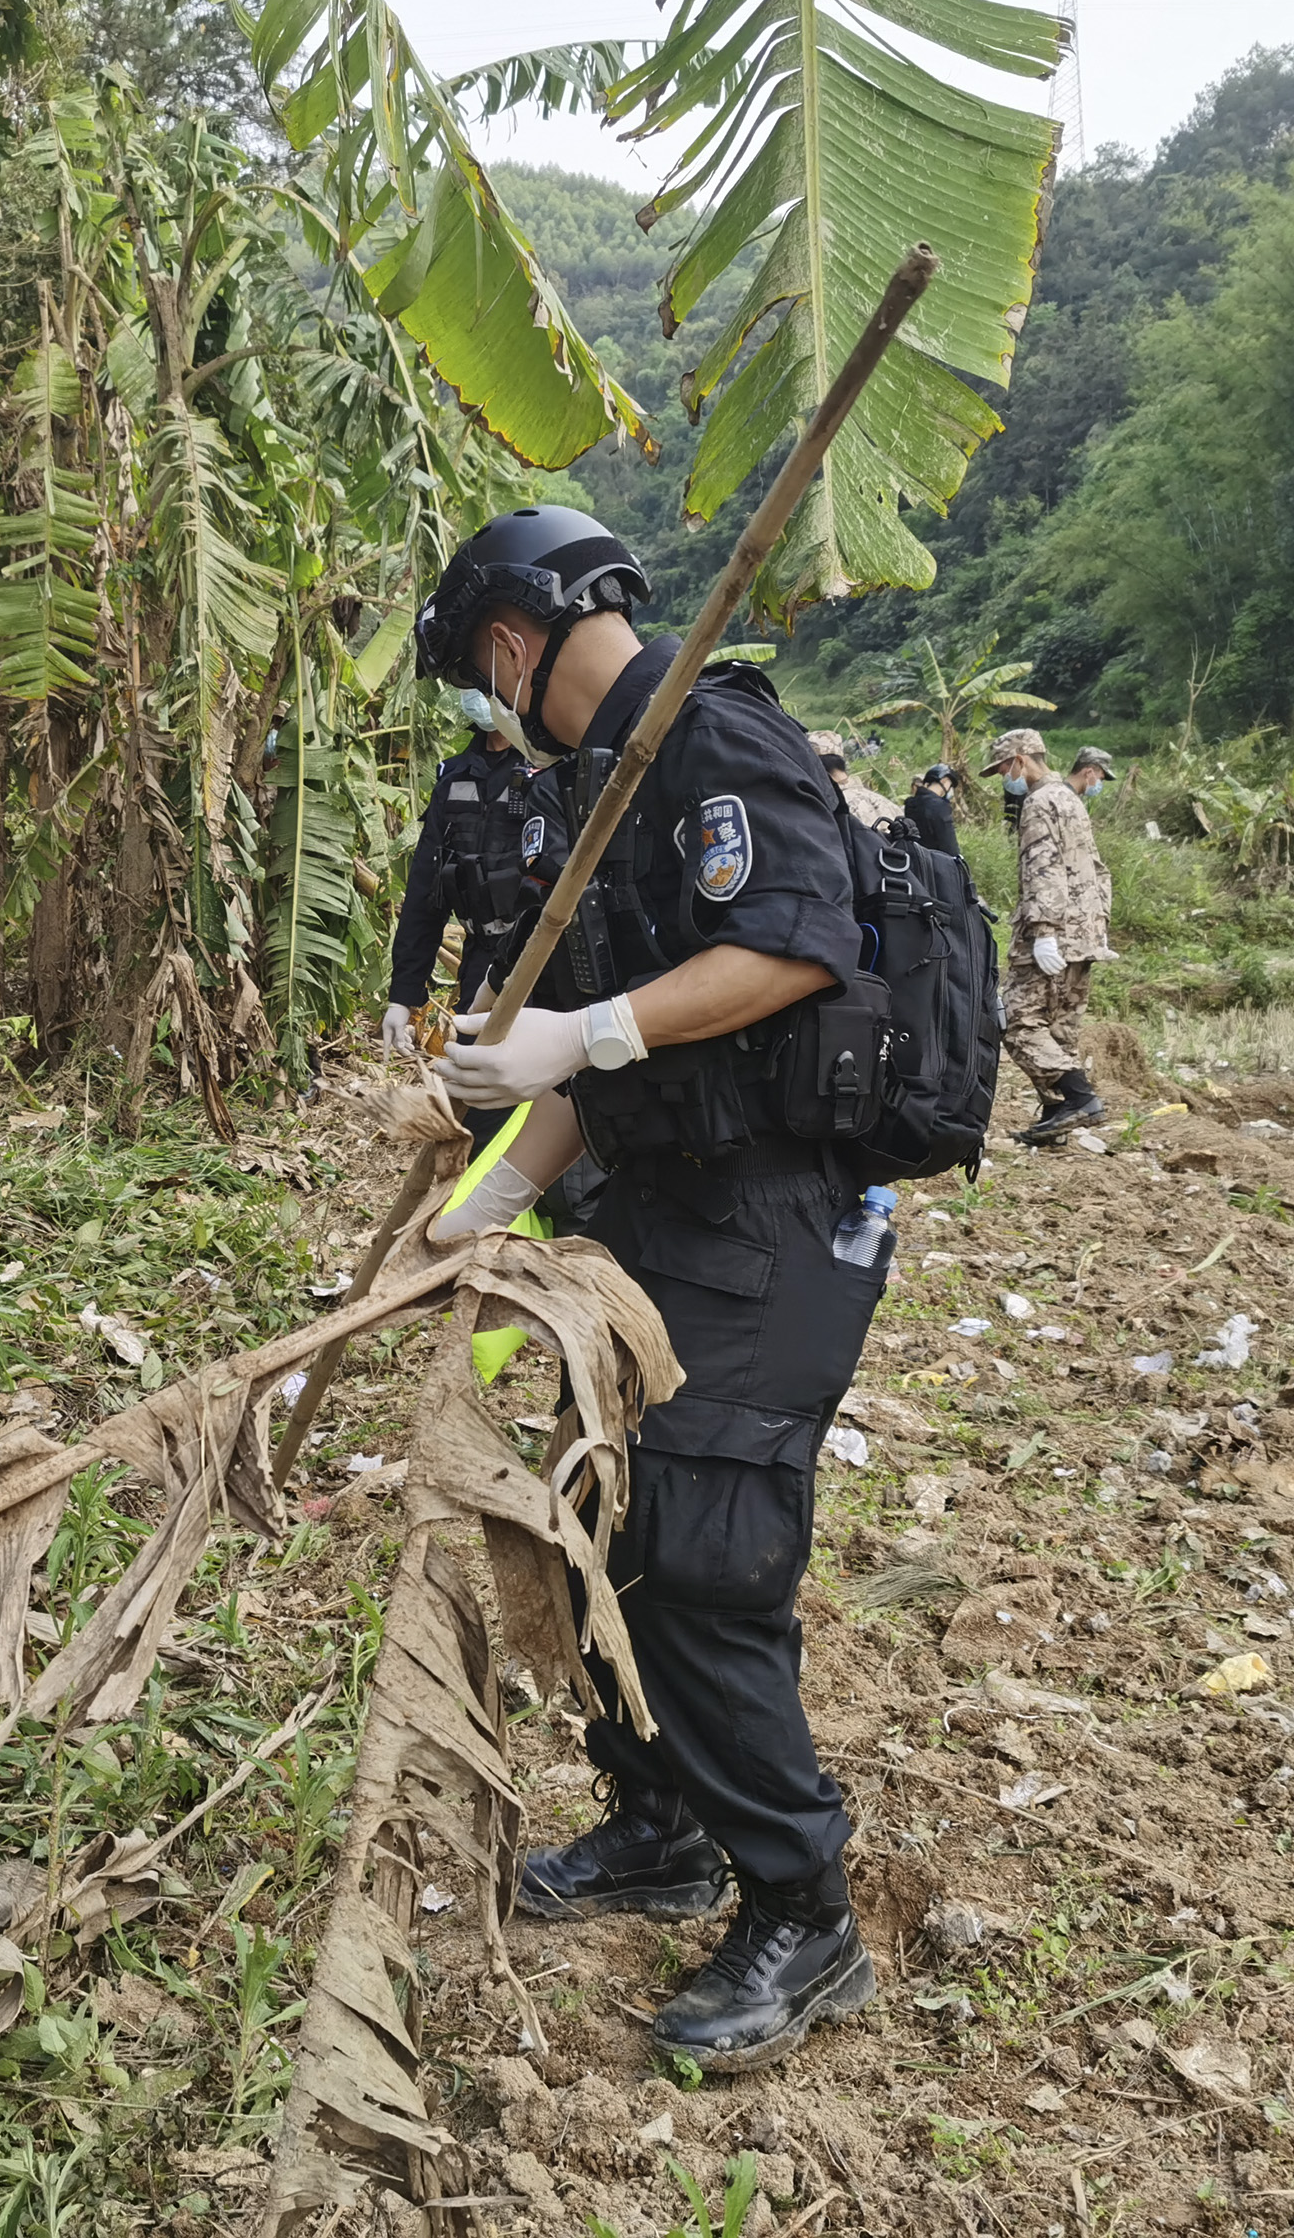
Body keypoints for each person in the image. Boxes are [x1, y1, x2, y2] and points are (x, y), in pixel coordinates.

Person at [409, 504, 885, 2074]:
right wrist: (474, 1215)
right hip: (661, 1209)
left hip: (783, 1215)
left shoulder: (709, 736)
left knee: (701, 1539)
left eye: (478, 683)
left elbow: (795, 948)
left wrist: (586, 1029)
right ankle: (660, 1821)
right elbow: (582, 1093)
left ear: (508, 642)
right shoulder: (592, 795)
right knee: (600, 1504)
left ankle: (804, 1910)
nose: (485, 712)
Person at [380, 693, 541, 1151]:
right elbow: (425, 895)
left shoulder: (545, 767)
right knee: (476, 1092)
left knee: (530, 1090)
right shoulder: (454, 776)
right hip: (481, 963)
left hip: (539, 957)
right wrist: (404, 995)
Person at [982, 728, 1116, 1144]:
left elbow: (1044, 869)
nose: (1004, 776)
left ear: (1021, 759)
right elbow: (1098, 871)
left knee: (1017, 1022)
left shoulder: (1039, 802)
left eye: (1004, 767)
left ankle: (1079, 1098)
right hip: (1084, 933)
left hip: (1053, 933)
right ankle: (1058, 1114)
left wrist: (1042, 932)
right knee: (1057, 1029)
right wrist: (1097, 928)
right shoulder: (1069, 800)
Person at [903, 758, 959, 858]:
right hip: (935, 863)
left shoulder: (910, 803)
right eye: (950, 786)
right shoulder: (940, 807)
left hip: (913, 859)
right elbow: (949, 845)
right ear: (944, 781)